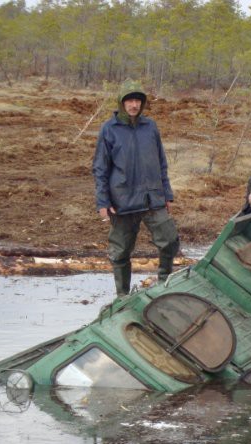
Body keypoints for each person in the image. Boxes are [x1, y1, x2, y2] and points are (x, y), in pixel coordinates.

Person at [92, 79, 179, 297]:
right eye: (129, 100)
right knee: (120, 252)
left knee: (169, 240)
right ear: (121, 103)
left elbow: (161, 162)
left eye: (137, 101)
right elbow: (100, 168)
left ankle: (164, 285)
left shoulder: (150, 127)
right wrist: (103, 202)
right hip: (122, 200)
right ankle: (122, 296)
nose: (134, 105)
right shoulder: (109, 129)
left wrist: (167, 193)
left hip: (152, 198)